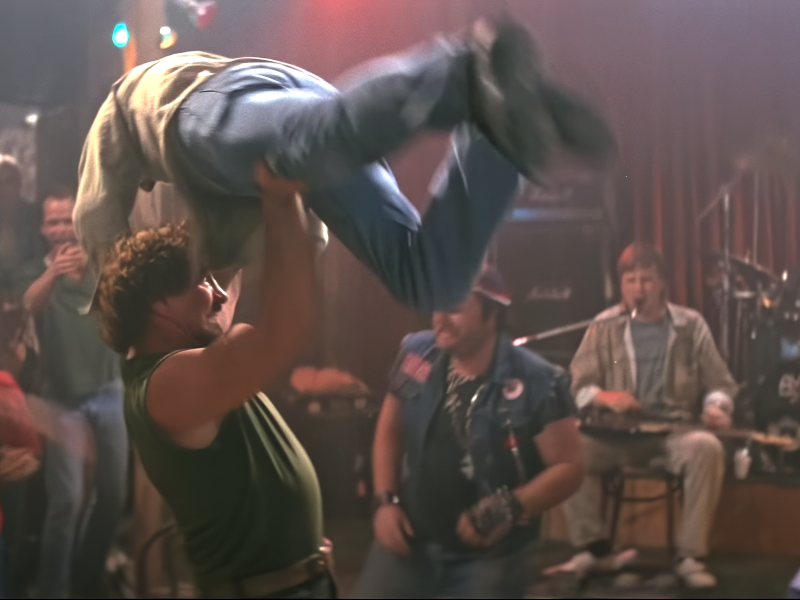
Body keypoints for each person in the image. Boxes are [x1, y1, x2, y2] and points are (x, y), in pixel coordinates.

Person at [75, 17, 614, 315]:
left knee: (296, 149)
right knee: (431, 283)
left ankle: (461, 73)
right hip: (322, 123)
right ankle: (502, 137)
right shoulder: (212, 234)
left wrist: (122, 318)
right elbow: (273, 245)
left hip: (211, 106)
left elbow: (95, 220)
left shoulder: (119, 109)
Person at [93, 164, 330, 598]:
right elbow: (284, 330)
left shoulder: (182, 367)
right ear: (160, 303)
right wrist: (280, 200)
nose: (219, 293)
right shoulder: (162, 385)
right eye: (203, 281)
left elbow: (241, 317)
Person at [351, 267, 584, 599]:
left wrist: (509, 507)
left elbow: (569, 467)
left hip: (491, 556)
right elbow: (390, 428)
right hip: (411, 540)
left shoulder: (538, 380)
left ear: (492, 314)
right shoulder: (419, 354)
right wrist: (386, 501)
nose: (440, 318)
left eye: (456, 306)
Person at [547, 243, 738, 589]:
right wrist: (605, 397)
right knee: (568, 447)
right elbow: (576, 387)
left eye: (647, 280)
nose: (639, 289)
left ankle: (690, 556)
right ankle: (595, 548)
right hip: (616, 435)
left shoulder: (690, 325)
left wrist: (716, 407)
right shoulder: (604, 325)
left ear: (662, 282)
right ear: (621, 285)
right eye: (631, 281)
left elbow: (719, 384)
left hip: (672, 433)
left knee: (707, 448)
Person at [14, 189, 128, 598]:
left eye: (68, 221)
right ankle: (53, 590)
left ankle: (86, 581)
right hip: (60, 400)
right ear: (43, 229)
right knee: (67, 500)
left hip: (109, 389)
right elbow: (27, 306)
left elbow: (125, 301)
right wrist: (53, 274)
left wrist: (96, 267)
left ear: (79, 223)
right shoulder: (30, 271)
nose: (62, 229)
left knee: (113, 496)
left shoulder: (101, 263)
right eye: (54, 222)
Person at [0, 155, 40, 277]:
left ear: (19, 183)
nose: (3, 188)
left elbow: (40, 259)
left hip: (29, 281)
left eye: (9, 181)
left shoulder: (36, 215)